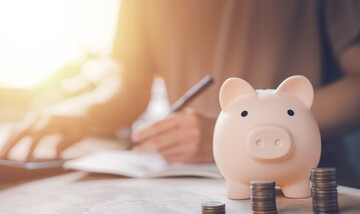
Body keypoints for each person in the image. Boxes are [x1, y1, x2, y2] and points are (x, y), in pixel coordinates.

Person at [1, 0, 360, 173]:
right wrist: (81, 111)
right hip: (185, 175)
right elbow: (130, 83)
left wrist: (234, 132)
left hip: (304, 180)